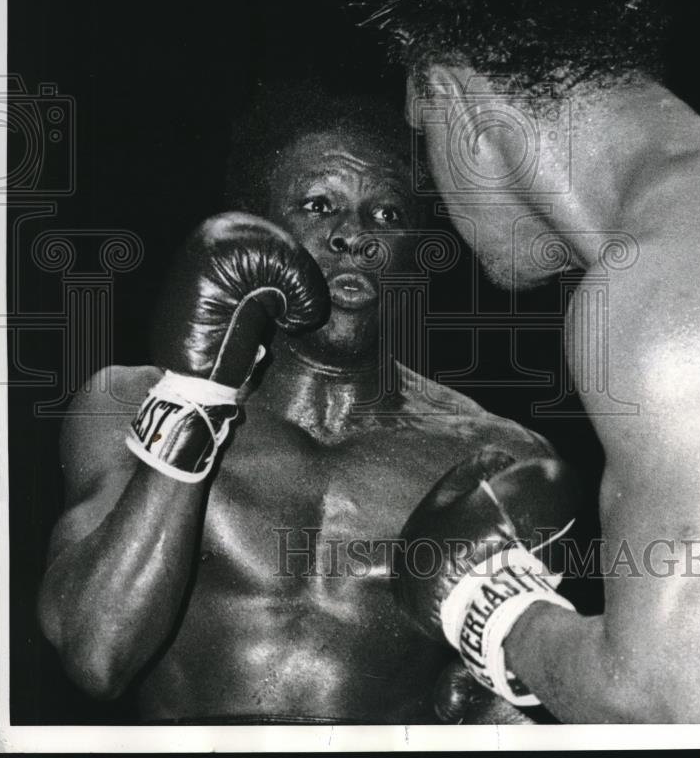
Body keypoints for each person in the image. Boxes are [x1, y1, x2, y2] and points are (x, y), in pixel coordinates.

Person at [351, 0, 700, 722]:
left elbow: (676, 706)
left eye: (422, 150)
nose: (436, 199)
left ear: (451, 99)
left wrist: (492, 611)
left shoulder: (663, 279)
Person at [37, 75, 577, 725]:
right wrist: (194, 398)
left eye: (387, 214)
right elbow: (97, 655)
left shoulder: (494, 456)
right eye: (319, 205)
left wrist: (494, 702)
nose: (355, 235)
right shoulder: (126, 401)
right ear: (256, 231)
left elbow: (503, 710)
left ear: (412, 255)